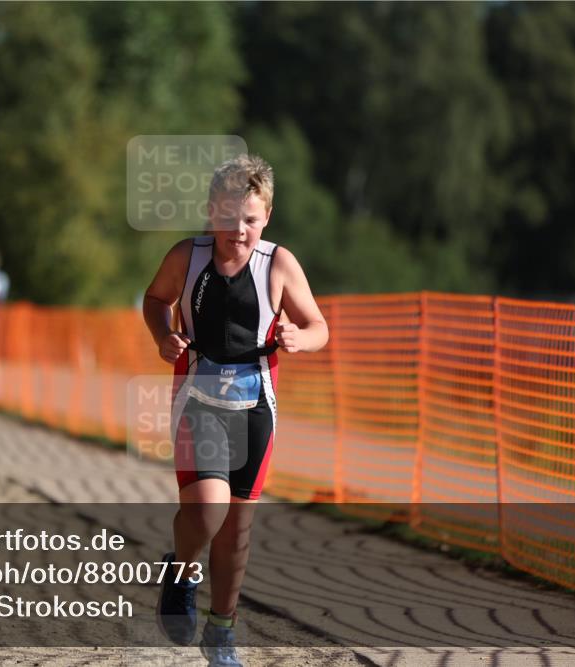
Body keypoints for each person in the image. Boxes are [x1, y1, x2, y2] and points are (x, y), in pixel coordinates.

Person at [142, 154, 328, 666]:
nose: (237, 229)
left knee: (236, 528)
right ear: (210, 212)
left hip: (255, 407)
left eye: (249, 218)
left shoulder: (280, 264)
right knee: (208, 508)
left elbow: (319, 326)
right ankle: (180, 571)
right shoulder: (188, 256)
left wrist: (299, 337)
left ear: (266, 216)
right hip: (199, 397)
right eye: (227, 216)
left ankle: (221, 632)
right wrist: (164, 335)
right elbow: (155, 299)